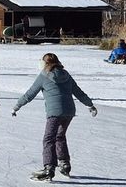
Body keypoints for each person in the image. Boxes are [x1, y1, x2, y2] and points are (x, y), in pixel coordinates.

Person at [11, 52, 97, 180]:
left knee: (49, 138)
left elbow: (30, 94)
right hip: (69, 111)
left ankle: (49, 168)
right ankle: (64, 163)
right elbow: (78, 92)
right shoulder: (66, 75)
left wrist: (16, 106)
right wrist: (90, 105)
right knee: (60, 136)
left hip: (54, 112)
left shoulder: (44, 76)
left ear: (45, 63)